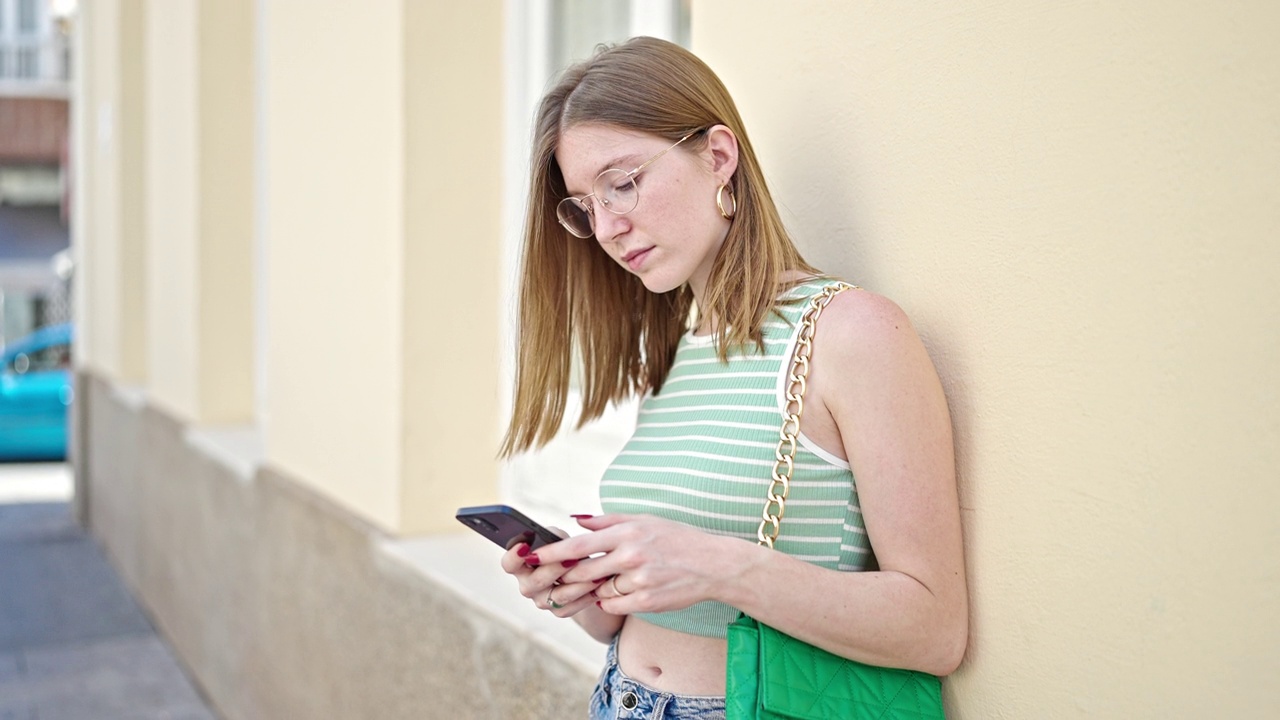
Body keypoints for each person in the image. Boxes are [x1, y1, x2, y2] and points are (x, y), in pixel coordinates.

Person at [498, 37, 968, 719]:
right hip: (617, 697)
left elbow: (936, 629)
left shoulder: (849, 333)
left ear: (718, 157)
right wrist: (584, 594)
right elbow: (663, 608)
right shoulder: (677, 343)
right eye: (584, 206)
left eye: (622, 183)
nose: (606, 225)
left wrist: (719, 565)